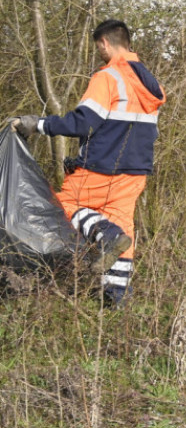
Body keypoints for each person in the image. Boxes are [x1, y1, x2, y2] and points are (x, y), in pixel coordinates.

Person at [10, 19, 166, 306]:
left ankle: (106, 236)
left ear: (105, 43)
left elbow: (82, 122)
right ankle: (117, 296)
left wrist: (37, 124)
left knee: (62, 208)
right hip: (136, 172)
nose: (99, 53)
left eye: (98, 48)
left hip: (101, 169)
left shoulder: (109, 77)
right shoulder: (149, 83)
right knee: (123, 227)